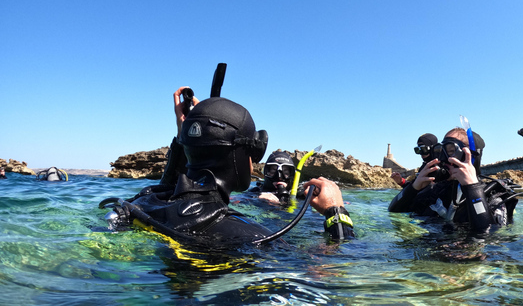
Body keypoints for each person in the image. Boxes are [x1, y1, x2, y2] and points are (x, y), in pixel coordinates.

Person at [104, 87, 353, 244]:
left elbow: (168, 185)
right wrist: (336, 212)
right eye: (252, 154)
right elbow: (332, 269)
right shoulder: (252, 235)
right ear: (239, 156)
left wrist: (186, 134)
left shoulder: (147, 201)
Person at [388, 127, 519, 234]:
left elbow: (487, 234)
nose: (444, 159)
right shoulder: (438, 191)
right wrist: (414, 187)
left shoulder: (491, 196)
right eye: (441, 151)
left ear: (471, 156)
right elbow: (394, 211)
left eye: (451, 151)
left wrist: (472, 188)